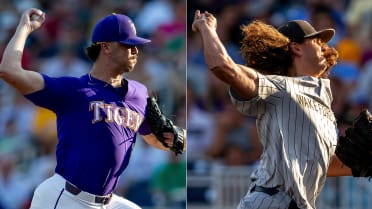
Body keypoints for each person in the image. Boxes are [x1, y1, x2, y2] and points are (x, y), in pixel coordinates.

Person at [0, 8, 185, 209]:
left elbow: (154, 139)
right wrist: (24, 28)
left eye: (136, 46)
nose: (135, 51)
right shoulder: (74, 90)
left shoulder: (139, 94)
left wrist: (175, 139)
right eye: (127, 45)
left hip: (108, 202)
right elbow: (9, 70)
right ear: (106, 47)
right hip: (65, 197)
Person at [192, 10, 354, 209]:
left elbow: (321, 163)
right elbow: (223, 67)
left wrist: (359, 164)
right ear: (296, 48)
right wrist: (208, 29)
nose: (324, 46)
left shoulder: (323, 103)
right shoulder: (279, 86)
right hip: (270, 201)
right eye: (316, 40)